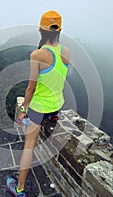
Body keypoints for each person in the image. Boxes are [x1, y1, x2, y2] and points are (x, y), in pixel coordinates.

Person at [6, 10, 69, 197]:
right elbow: (59, 79)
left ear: (41, 30)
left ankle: (19, 189)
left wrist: (22, 111)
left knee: (28, 147)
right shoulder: (66, 51)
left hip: (39, 108)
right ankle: (51, 116)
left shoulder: (37, 55)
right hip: (56, 105)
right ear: (59, 30)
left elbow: (31, 88)